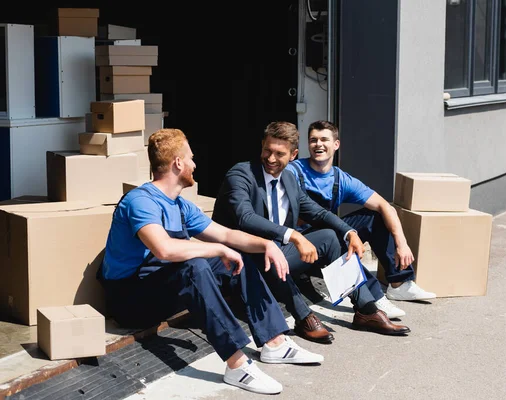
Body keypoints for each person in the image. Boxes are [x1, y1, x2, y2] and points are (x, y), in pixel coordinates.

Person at [97, 128, 324, 396]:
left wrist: (266, 245)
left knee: (237, 257)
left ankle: (274, 342)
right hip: (130, 300)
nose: (195, 164)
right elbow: (163, 249)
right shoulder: (141, 201)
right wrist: (217, 249)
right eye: (191, 158)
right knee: (196, 265)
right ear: (178, 163)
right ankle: (237, 364)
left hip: (161, 287)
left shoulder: (180, 205)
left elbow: (226, 234)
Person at [212, 121, 410, 345]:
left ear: (293, 155)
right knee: (270, 249)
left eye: (280, 153)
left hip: (276, 254)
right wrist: (294, 236)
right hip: (238, 259)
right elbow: (244, 217)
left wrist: (350, 232)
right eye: (267, 150)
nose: (271, 158)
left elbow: (317, 213)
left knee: (329, 237)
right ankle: (303, 317)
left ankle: (365, 309)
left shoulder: (289, 179)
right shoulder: (241, 174)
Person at [287, 120, 436, 318]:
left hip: (328, 239)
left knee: (375, 216)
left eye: (324, 139)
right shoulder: (293, 171)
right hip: (300, 246)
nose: (318, 144)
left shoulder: (341, 179)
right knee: (333, 235)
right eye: (313, 140)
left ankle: (400, 283)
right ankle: (374, 298)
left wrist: (402, 244)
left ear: (336, 144)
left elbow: (385, 206)